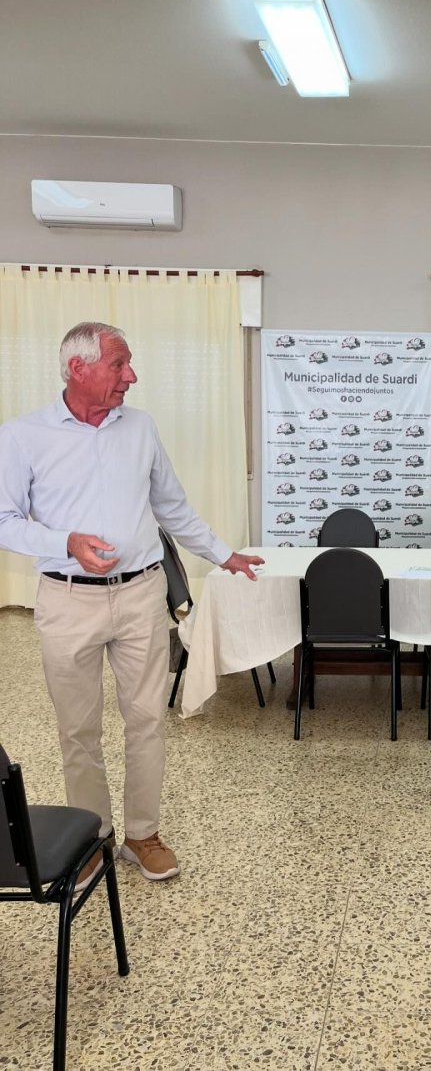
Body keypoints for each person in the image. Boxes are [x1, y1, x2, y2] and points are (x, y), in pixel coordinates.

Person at [0, 321, 263, 886]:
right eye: (119, 365)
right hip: (67, 600)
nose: (131, 377)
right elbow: (4, 520)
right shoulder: (22, 436)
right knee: (78, 729)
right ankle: (93, 839)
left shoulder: (140, 427)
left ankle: (143, 834)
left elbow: (172, 506)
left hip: (142, 593)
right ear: (78, 368)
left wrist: (223, 555)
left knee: (146, 720)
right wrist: (63, 542)